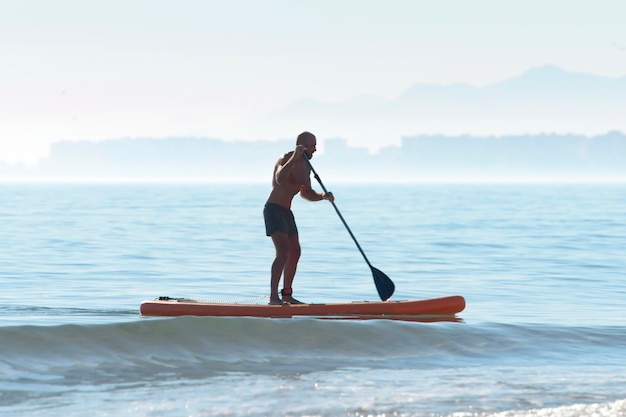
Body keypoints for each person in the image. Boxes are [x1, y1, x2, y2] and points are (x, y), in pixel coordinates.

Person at [263, 131, 335, 305]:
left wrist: (323, 196)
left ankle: (287, 294)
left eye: (315, 145)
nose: (315, 149)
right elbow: (279, 179)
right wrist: (294, 157)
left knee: (295, 252)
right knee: (283, 252)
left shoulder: (307, 166)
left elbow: (306, 193)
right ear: (301, 145)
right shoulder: (286, 158)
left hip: (287, 212)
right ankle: (273, 298)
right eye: (312, 145)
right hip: (274, 210)